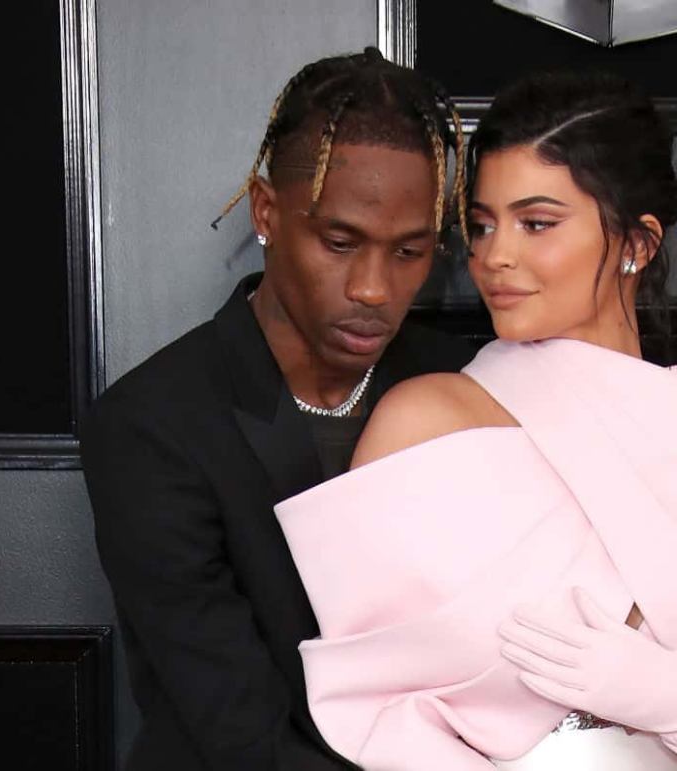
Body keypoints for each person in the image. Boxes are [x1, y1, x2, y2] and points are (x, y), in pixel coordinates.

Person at [273, 70, 677, 770]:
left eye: (537, 223)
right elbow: (372, 709)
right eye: (482, 225)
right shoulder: (426, 423)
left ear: (637, 243)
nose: (495, 255)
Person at [79, 47, 475, 771]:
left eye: (410, 251)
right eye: (339, 241)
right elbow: (237, 726)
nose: (374, 289)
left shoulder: (463, 386)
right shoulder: (150, 425)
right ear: (266, 212)